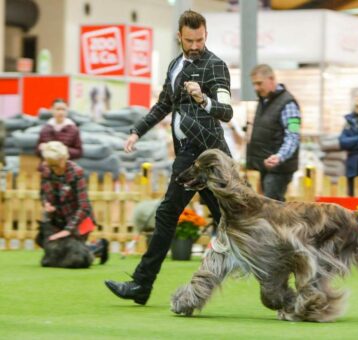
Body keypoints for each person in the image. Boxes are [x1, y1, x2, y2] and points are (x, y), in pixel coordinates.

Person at [105, 10, 233, 305]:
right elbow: (163, 104)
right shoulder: (175, 65)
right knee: (175, 215)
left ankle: (141, 285)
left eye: (200, 39)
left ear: (206, 35)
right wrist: (137, 131)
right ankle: (141, 284)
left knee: (235, 221)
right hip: (188, 157)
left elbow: (226, 113)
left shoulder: (215, 66)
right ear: (179, 37)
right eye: (190, 40)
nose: (195, 45)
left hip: (209, 157)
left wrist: (204, 99)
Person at [38, 141, 108, 265]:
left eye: (58, 164)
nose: (56, 169)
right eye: (52, 166)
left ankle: (98, 247)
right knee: (47, 243)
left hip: (79, 220)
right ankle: (90, 248)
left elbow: (84, 206)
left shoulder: (76, 172)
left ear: (65, 158)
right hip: (58, 219)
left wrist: (68, 229)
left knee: (74, 251)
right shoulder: (46, 170)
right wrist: (46, 204)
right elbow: (42, 193)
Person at [246, 64, 301, 202]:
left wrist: (280, 156)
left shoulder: (288, 103)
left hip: (279, 168)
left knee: (273, 210)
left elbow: (293, 135)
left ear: (271, 79)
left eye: (259, 83)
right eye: (254, 84)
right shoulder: (264, 101)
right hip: (266, 167)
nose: (256, 88)